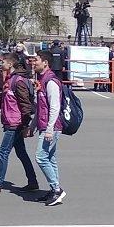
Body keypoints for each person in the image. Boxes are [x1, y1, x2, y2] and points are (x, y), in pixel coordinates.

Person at [0, 52, 39, 194]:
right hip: (11, 121)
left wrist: (26, 125)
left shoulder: (18, 81)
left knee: (3, 152)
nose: (1, 65)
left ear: (11, 63)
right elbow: (3, 101)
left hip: (15, 123)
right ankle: (32, 182)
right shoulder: (9, 79)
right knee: (21, 153)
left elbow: (25, 104)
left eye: (3, 62)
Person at [30, 50, 66, 205]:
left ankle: (57, 189)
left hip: (51, 126)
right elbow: (40, 107)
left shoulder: (51, 81)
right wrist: (33, 125)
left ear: (45, 63)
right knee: (50, 158)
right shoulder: (42, 80)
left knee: (41, 157)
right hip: (44, 125)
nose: (34, 63)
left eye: (36, 60)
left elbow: (54, 107)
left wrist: (50, 128)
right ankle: (54, 189)